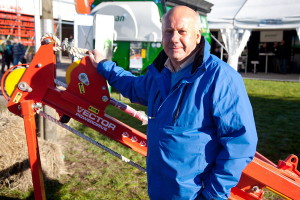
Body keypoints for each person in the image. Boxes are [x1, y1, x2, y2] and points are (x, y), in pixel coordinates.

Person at [89, 6, 257, 200]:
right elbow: (134, 87)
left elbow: (240, 143)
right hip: (160, 189)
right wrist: (105, 66)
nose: (174, 38)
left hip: (195, 194)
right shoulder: (161, 73)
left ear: (197, 35)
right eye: (169, 32)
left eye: (182, 31)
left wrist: (212, 195)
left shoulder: (221, 78)